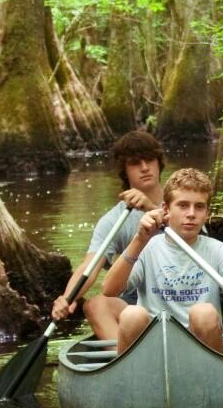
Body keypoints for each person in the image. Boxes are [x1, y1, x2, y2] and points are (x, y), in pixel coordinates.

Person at [93, 167, 223, 353]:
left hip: (200, 345)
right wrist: (139, 239)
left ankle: (210, 373)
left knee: (203, 312)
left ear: (207, 213)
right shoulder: (146, 246)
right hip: (152, 346)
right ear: (166, 209)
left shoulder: (217, 250)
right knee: (132, 314)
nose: (191, 214)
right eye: (182, 205)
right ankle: (129, 374)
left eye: (199, 206)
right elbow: (109, 290)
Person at [52, 130, 166, 329]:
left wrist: (150, 208)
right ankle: (126, 356)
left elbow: (194, 238)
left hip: (185, 292)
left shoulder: (182, 202)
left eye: (149, 160)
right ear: (125, 170)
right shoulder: (113, 220)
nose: (145, 167)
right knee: (95, 305)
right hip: (135, 303)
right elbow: (90, 267)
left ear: (159, 162)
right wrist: (67, 298)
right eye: (135, 163)